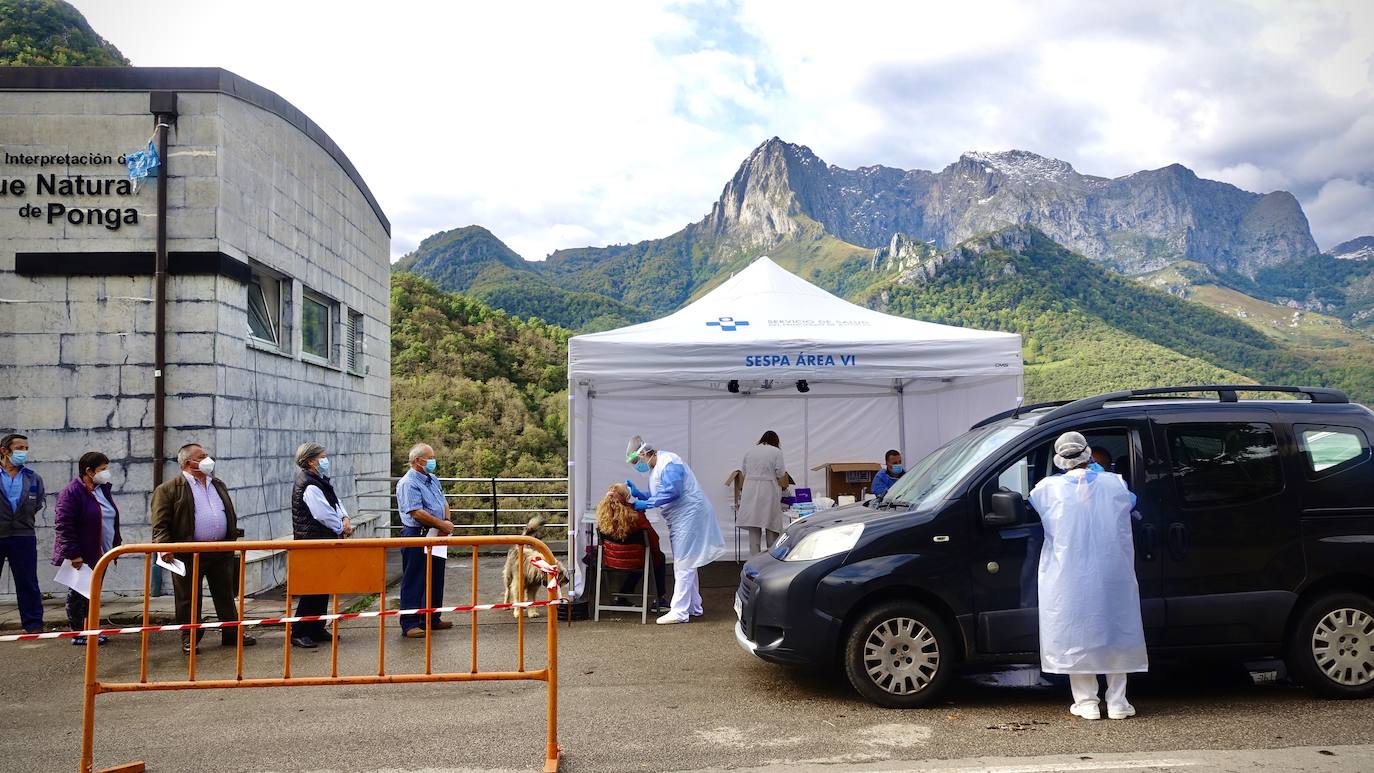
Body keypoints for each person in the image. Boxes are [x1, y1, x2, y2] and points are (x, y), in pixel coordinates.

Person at [1028, 431, 1147, 721]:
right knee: (1116, 630)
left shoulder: (1044, 489)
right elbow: (1131, 502)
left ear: (1059, 459)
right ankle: (1118, 702)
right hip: (1111, 571)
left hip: (1068, 576)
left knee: (1075, 632)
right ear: (1089, 454)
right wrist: (1098, 476)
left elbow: (1034, 506)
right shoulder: (1116, 484)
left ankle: (1087, 702)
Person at [151, 443, 257, 655]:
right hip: (188, 553)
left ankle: (231, 633)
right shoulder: (169, 489)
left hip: (220, 550)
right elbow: (160, 523)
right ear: (190, 463)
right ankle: (190, 638)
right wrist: (163, 547)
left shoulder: (217, 484)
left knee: (225, 594)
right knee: (188, 597)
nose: (208, 459)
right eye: (203, 456)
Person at [624, 435, 725, 625]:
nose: (638, 465)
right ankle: (694, 606)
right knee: (689, 561)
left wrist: (646, 503)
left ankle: (679, 611)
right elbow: (659, 493)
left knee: (683, 563)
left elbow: (672, 491)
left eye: (637, 461)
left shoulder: (669, 462)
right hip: (682, 517)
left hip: (689, 515)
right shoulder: (656, 468)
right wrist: (641, 494)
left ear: (645, 453)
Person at [52, 451, 122, 646]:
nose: (106, 473)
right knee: (78, 594)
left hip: (103, 552)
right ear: (89, 471)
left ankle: (91, 629)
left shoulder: (102, 489)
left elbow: (109, 516)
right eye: (102, 469)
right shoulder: (72, 492)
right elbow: (64, 525)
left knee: (93, 593)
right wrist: (73, 554)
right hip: (82, 554)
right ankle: (78, 632)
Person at [290, 443, 354, 649]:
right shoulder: (308, 484)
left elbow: (335, 503)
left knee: (323, 587)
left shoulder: (320, 480)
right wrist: (341, 528)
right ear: (311, 461)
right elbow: (322, 514)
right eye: (323, 457)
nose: (326, 460)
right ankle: (299, 632)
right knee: (312, 588)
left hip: (324, 541)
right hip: (313, 542)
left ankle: (317, 627)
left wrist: (344, 517)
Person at [396, 443, 454, 638]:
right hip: (418, 534)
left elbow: (443, 501)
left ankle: (431, 618)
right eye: (429, 458)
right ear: (417, 461)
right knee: (415, 579)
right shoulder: (408, 483)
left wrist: (445, 522)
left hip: (436, 533)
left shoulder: (433, 479)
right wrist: (441, 524)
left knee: (436, 577)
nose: (433, 461)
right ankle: (410, 623)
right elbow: (416, 512)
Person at [596, 483, 668, 612]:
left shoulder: (603, 518)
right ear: (627, 497)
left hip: (610, 561)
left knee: (637, 560)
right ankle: (659, 599)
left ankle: (621, 597)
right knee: (654, 558)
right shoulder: (637, 517)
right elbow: (653, 540)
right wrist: (656, 556)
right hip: (636, 560)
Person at [0, 433, 45, 634]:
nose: (23, 452)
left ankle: (33, 623)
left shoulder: (32, 477)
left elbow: (38, 503)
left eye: (26, 448)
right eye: (19, 448)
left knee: (27, 580)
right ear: (4, 450)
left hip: (23, 534)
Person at [737, 430, 789, 555]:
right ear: (776, 441)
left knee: (754, 527)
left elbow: (744, 471)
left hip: (750, 490)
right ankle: (771, 560)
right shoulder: (776, 452)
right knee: (771, 525)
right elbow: (780, 473)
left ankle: (754, 560)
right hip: (768, 491)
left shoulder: (750, 451)